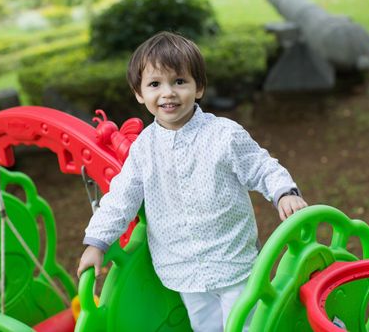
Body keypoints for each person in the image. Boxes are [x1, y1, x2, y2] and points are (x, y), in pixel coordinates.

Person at [77, 31, 307, 331]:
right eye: (155, 84)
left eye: (179, 82)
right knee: (206, 327)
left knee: (248, 326)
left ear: (199, 88)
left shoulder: (224, 135)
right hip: (181, 267)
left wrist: (283, 192)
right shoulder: (143, 149)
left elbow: (261, 166)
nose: (168, 93)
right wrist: (97, 242)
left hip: (232, 260)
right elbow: (121, 198)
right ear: (139, 93)